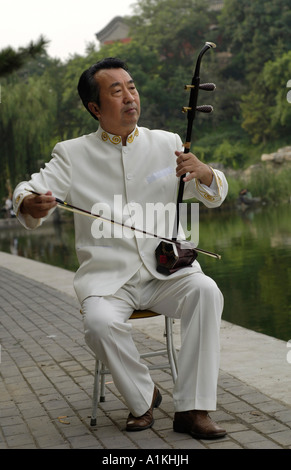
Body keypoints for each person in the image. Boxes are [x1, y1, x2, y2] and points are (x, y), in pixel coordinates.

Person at [13, 57, 228, 440]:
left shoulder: (167, 143)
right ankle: (144, 397)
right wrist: (29, 202)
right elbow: (31, 190)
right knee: (98, 323)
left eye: (132, 87)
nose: (130, 97)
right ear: (95, 107)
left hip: (168, 271)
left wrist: (205, 172)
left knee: (206, 291)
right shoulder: (72, 153)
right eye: (117, 91)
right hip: (109, 278)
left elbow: (210, 194)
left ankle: (193, 409)